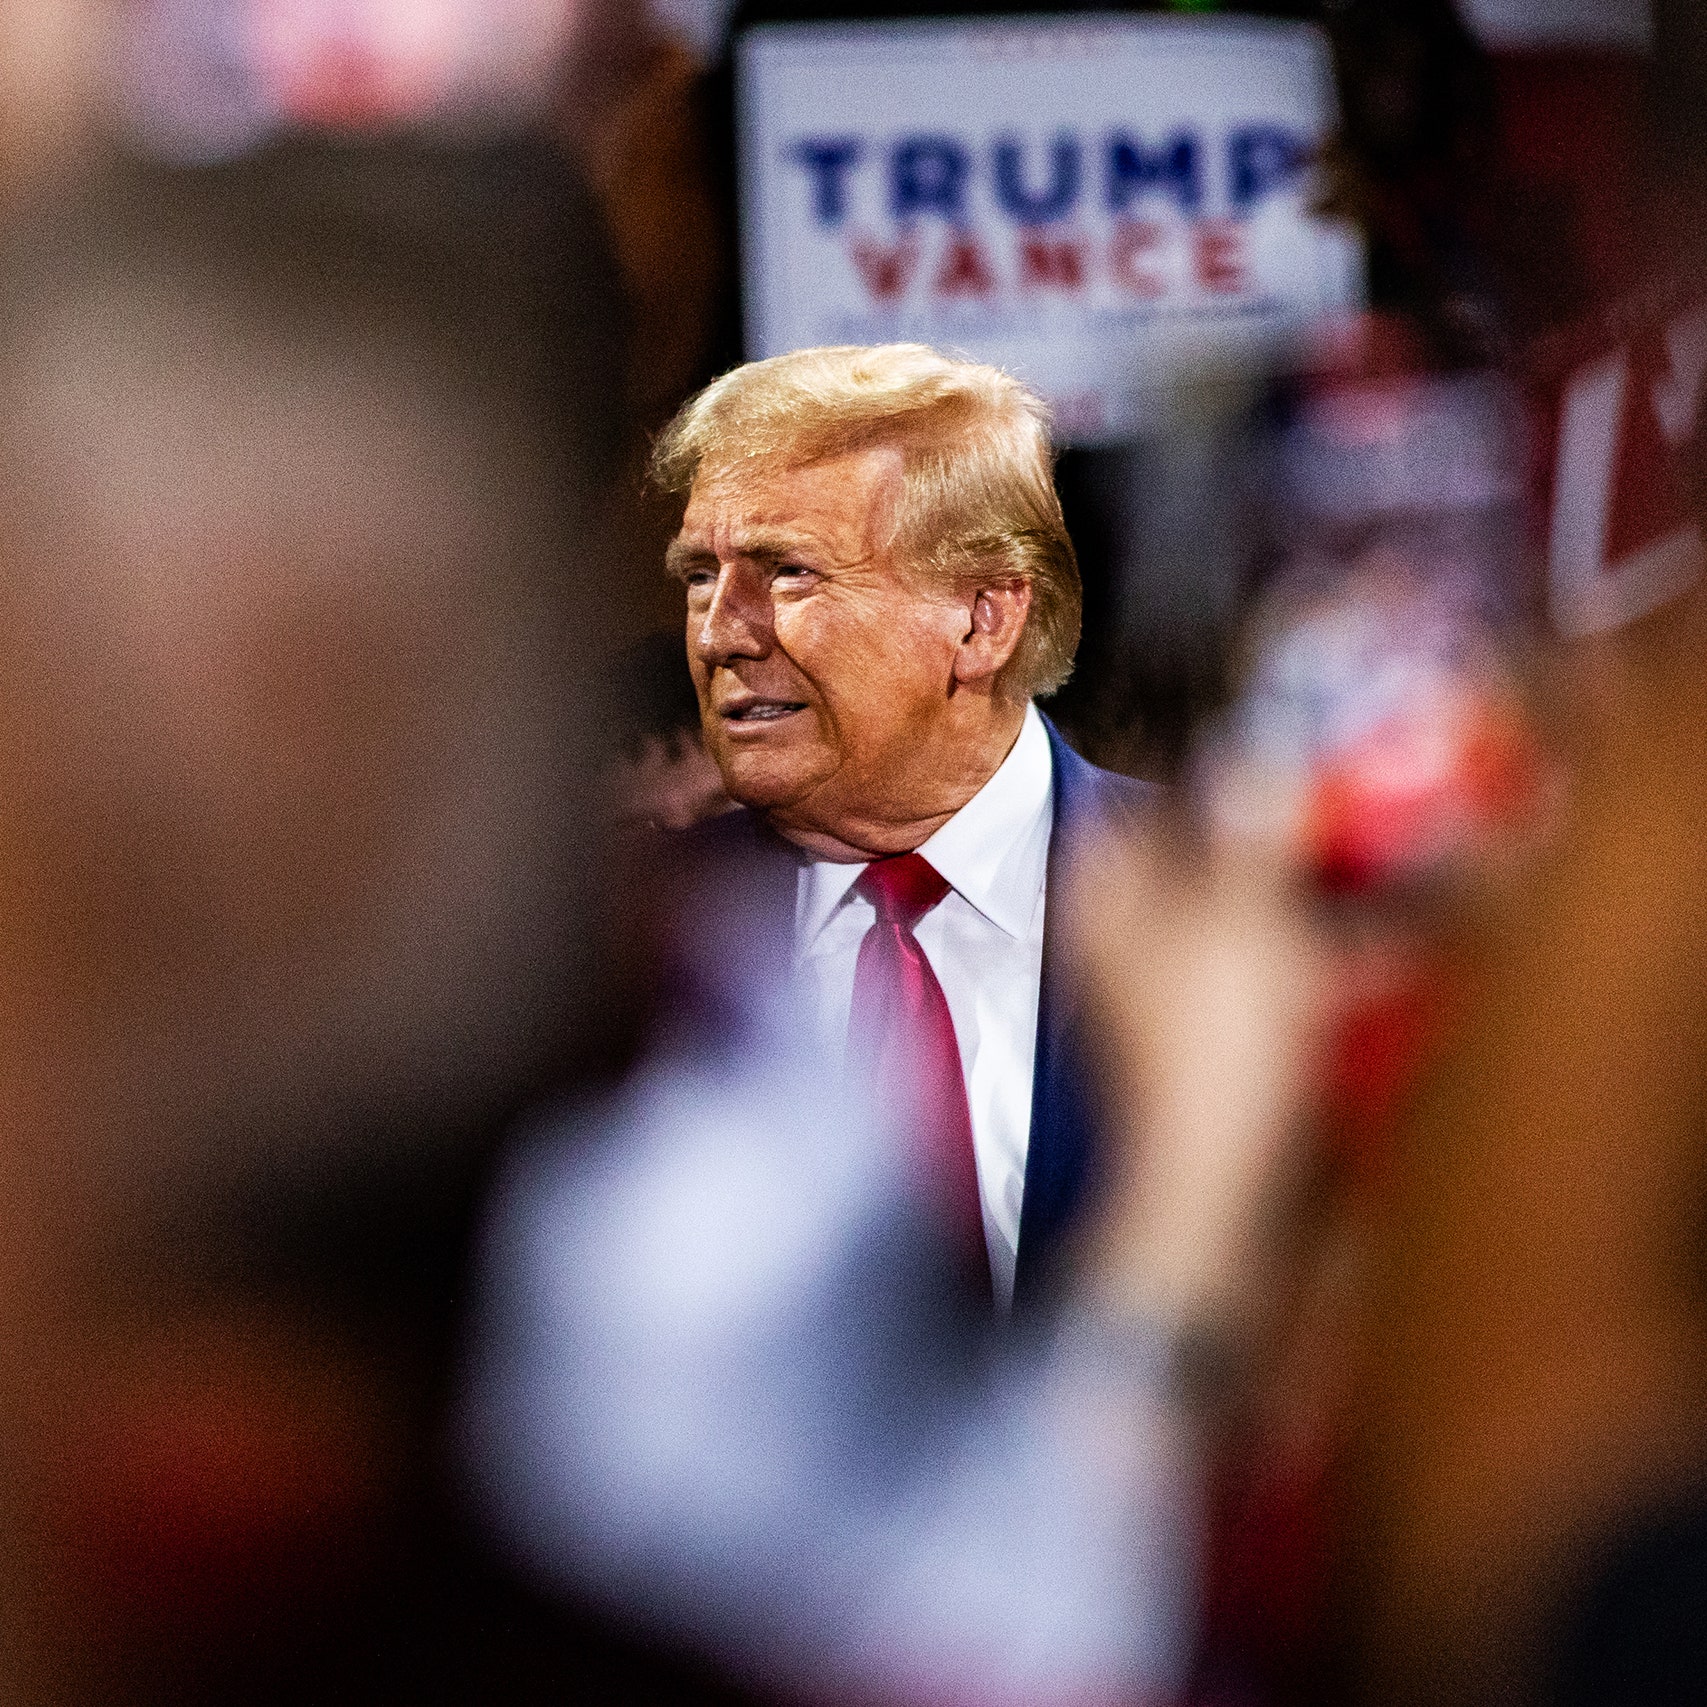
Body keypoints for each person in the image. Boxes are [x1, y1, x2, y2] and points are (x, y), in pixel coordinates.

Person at [653, 341, 1150, 1309]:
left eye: (787, 573)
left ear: (982, 619)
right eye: (699, 577)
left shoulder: (1203, 901)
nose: (720, 633)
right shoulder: (640, 946)